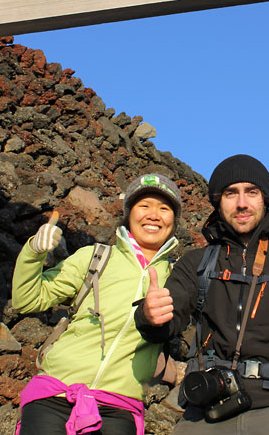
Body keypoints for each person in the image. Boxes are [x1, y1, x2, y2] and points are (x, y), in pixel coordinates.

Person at [135, 154, 269, 435]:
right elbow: (168, 321)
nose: (242, 203)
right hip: (205, 409)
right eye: (230, 193)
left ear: (265, 199)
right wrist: (150, 316)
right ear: (217, 201)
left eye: (252, 192)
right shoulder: (197, 262)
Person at [12, 173, 182, 435]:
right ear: (129, 213)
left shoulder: (179, 279)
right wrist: (34, 252)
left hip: (119, 405)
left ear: (174, 220)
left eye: (164, 208)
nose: (153, 215)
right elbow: (28, 299)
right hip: (54, 394)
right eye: (144, 206)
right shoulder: (95, 257)